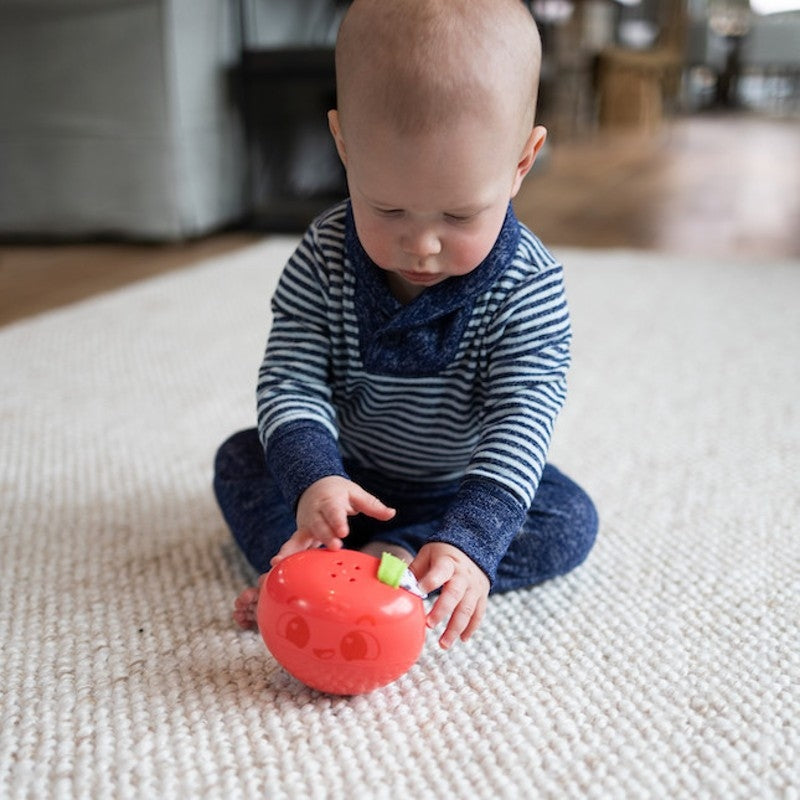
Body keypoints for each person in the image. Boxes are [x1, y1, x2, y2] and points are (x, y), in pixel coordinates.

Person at [214, 0, 598, 652]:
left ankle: (414, 560)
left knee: (567, 521)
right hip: (347, 475)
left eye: (458, 215)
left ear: (521, 163)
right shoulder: (322, 254)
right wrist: (315, 479)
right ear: (343, 146)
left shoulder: (527, 287)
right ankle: (314, 563)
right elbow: (291, 378)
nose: (421, 245)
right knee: (242, 459)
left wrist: (472, 539)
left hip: (456, 487)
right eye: (386, 207)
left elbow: (520, 422)